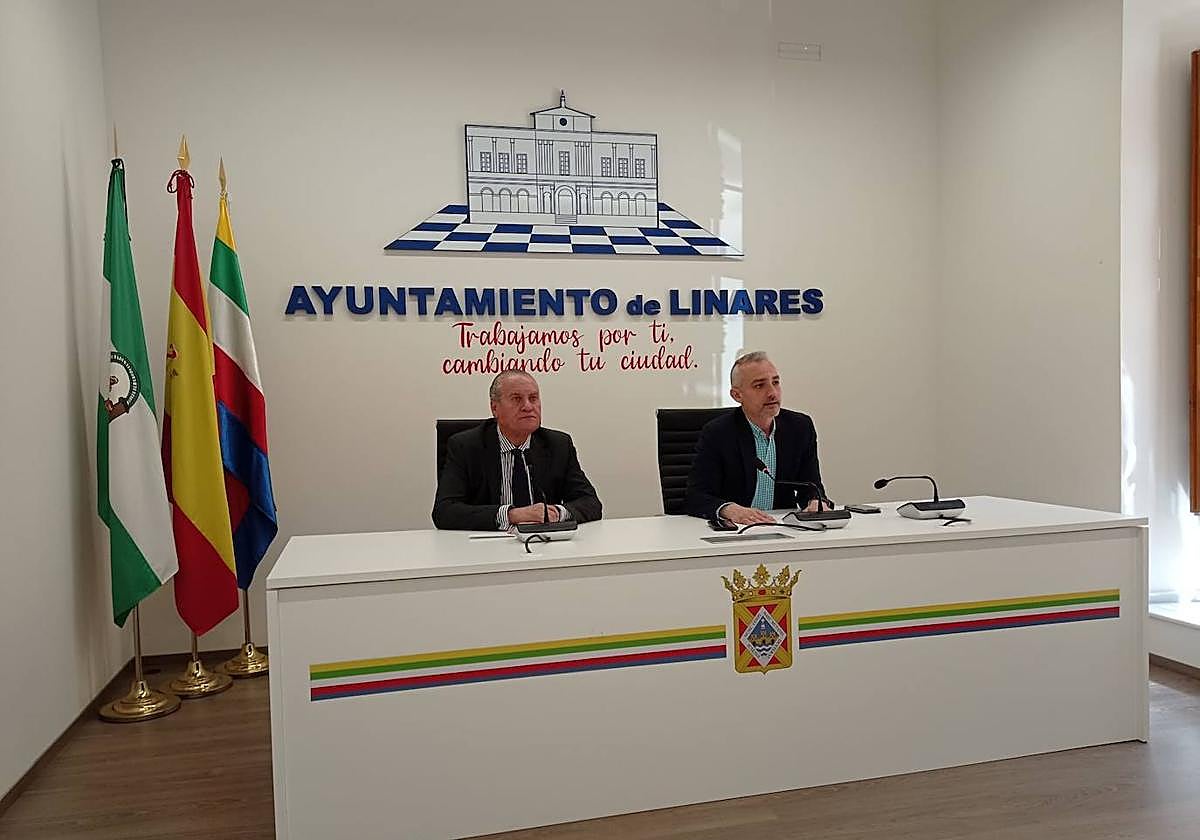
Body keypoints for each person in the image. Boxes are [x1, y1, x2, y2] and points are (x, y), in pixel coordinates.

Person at [432, 370, 603, 531]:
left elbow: (591, 503)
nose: (528, 406)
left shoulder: (558, 445)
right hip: (485, 548)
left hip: (545, 546)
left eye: (533, 398)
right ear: (495, 408)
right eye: (516, 399)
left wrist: (555, 513)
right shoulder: (466, 446)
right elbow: (444, 511)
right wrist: (511, 515)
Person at [686, 351, 828, 525]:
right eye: (760, 386)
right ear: (737, 395)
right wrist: (729, 509)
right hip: (737, 529)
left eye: (775, 382)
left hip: (783, 527)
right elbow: (695, 496)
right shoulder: (718, 433)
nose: (773, 393)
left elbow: (811, 485)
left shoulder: (800, 427)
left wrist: (815, 501)